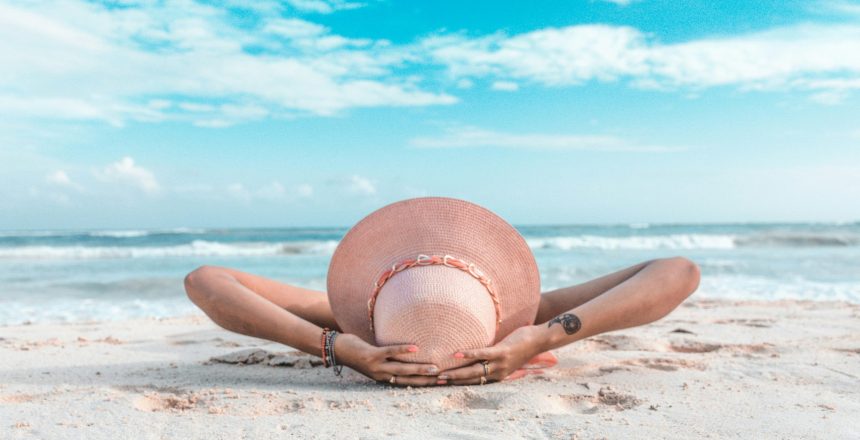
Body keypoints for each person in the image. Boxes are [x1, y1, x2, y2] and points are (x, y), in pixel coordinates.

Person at [184, 197, 700, 387]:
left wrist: (336, 345)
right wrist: (538, 338)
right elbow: (677, 270)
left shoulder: (353, 321)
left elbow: (678, 272)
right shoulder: (524, 317)